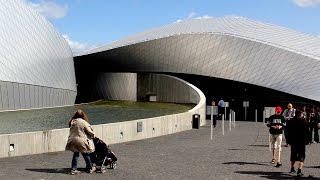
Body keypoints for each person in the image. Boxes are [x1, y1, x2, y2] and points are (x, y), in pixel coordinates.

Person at [65, 109, 96, 175]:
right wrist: (93, 135)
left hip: (72, 140)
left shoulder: (72, 121)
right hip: (81, 140)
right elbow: (90, 131)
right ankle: (90, 167)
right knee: (85, 153)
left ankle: (73, 169)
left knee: (76, 154)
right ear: (83, 115)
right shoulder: (83, 122)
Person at [285, 109, 311, 177]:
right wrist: (308, 141)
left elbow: (286, 132)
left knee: (293, 154)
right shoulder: (304, 122)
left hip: (293, 141)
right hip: (301, 142)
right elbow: (308, 133)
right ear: (301, 114)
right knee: (302, 155)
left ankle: (292, 168)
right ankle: (299, 170)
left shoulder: (290, 121)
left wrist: (288, 141)